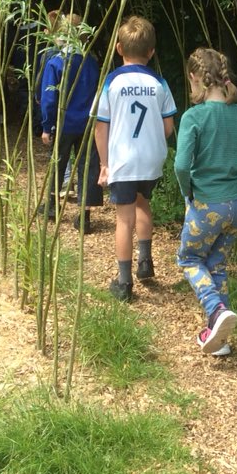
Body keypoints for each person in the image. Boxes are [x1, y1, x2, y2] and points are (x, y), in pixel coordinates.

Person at [175, 48, 237, 357]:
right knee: (216, 263)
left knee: (189, 259)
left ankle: (215, 310)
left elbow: (181, 165)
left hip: (207, 203)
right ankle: (220, 339)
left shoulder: (194, 117)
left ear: (194, 78)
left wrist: (189, 191)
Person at [94, 15, 177, 302]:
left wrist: (104, 164)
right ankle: (145, 262)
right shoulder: (159, 83)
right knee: (143, 203)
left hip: (123, 161)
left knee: (124, 219)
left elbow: (101, 127)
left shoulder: (112, 82)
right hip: (151, 160)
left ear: (119, 48)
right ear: (151, 52)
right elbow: (168, 127)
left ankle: (124, 282)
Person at [38, 14, 103, 230]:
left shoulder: (56, 62)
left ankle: (52, 206)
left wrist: (46, 126)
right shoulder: (91, 63)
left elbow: (49, 98)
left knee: (58, 162)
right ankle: (84, 216)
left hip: (63, 123)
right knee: (87, 166)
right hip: (87, 124)